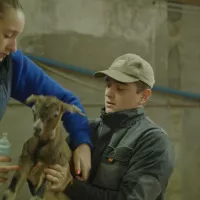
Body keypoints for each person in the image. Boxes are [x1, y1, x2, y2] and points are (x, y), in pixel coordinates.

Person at [31, 53, 175, 200]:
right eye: (108, 85)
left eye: (120, 88)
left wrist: (70, 186)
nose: (109, 93)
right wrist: (40, 177)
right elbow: (53, 176)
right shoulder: (87, 131)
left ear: (144, 96)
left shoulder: (153, 141)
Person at [0, 0, 92, 184]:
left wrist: (82, 143)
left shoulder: (10, 65)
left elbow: (65, 99)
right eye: (7, 35)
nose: (13, 47)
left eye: (16, 37)